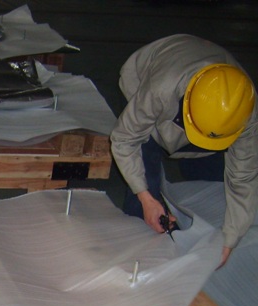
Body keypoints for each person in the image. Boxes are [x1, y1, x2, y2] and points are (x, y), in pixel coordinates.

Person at [110, 34, 257, 267]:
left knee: (211, 188)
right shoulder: (160, 89)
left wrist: (229, 241)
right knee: (143, 196)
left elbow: (243, 179)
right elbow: (125, 140)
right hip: (145, 87)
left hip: (207, 116)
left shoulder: (244, 113)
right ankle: (142, 265)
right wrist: (146, 197)